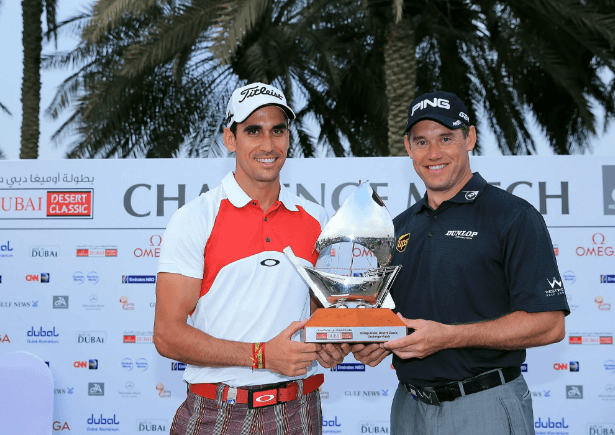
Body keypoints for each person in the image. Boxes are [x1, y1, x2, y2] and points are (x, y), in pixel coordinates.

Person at [351, 91, 570, 435]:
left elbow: (550, 325)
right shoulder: (399, 227)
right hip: (408, 409)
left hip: (485, 404)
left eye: (446, 138)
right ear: (408, 148)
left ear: (469, 139)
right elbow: (394, 317)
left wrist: (449, 337)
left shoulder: (513, 216)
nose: (433, 153)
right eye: (421, 141)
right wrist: (374, 342)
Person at [154, 82, 347, 435]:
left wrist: (330, 344)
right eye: (253, 131)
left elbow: (321, 315)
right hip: (217, 411)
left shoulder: (317, 220)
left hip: (299, 410)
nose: (268, 145)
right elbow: (167, 336)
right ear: (230, 138)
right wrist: (262, 355)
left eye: (278, 130)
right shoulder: (196, 218)